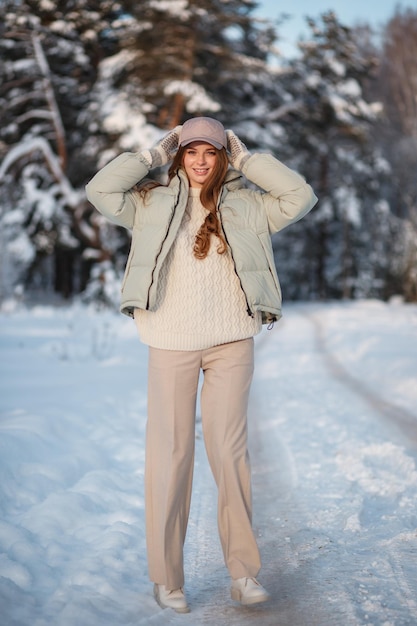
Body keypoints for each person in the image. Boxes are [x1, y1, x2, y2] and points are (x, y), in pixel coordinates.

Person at [86, 117, 317, 614]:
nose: (199, 161)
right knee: (170, 458)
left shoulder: (249, 205)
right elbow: (100, 189)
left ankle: (243, 573)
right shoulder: (150, 201)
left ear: (222, 157)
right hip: (170, 342)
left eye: (210, 152)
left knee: (230, 457)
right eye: (190, 151)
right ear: (179, 154)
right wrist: (150, 154)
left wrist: (250, 158)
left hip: (232, 341)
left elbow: (300, 197)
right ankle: (167, 579)